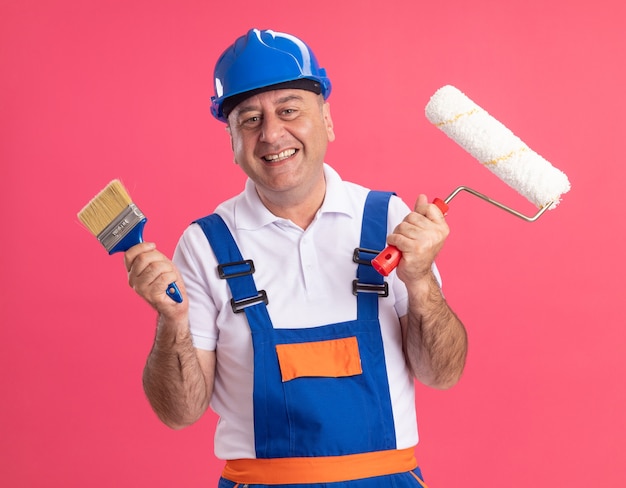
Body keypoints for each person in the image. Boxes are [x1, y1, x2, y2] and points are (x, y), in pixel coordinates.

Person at [125, 28, 468, 487]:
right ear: (231, 138)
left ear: (326, 119)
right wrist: (172, 320)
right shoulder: (205, 244)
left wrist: (421, 280)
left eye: (289, 110)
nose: (271, 134)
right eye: (249, 119)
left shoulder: (388, 219)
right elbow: (178, 413)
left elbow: (442, 375)